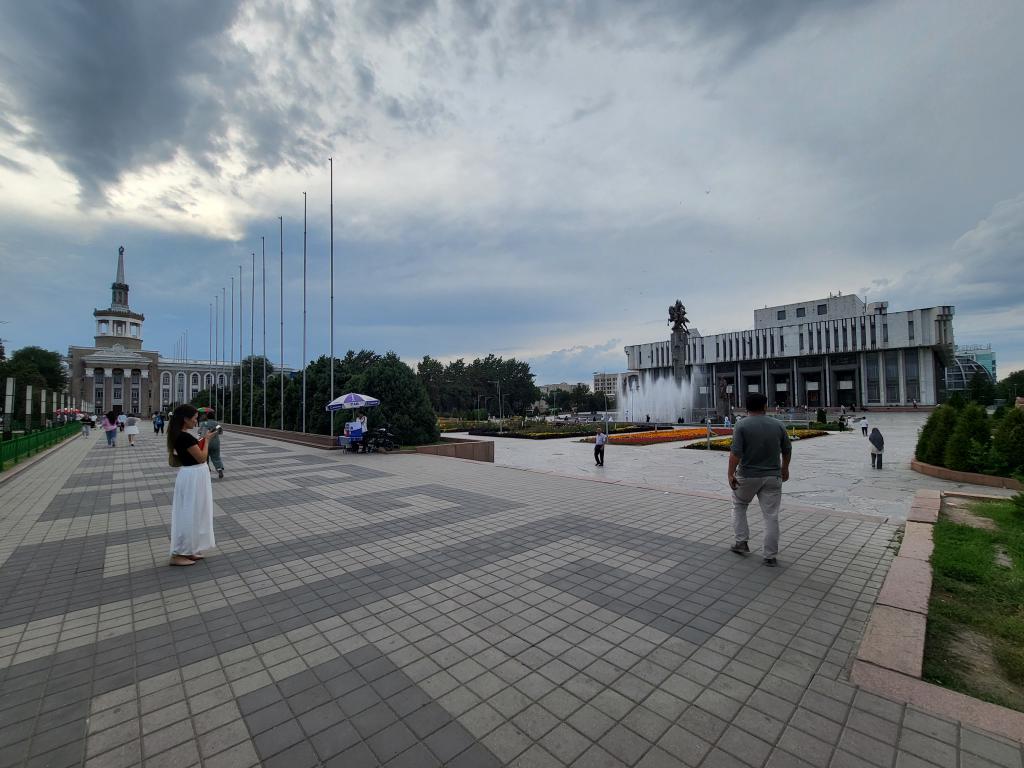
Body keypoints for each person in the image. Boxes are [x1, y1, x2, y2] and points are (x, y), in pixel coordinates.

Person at [727, 392, 792, 567]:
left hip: (747, 476)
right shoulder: (778, 425)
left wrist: (730, 474)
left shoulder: (741, 425)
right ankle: (770, 556)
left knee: (739, 505)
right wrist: (785, 468)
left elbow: (735, 453)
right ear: (765, 406)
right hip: (772, 476)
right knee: (771, 516)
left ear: (747, 407)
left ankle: (741, 542)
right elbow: (787, 449)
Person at [167, 404, 215, 566]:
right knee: (188, 514)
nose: (196, 421)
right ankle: (178, 553)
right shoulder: (184, 437)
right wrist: (207, 440)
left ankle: (190, 549)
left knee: (195, 513)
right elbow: (201, 458)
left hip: (193, 475)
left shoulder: (181, 435)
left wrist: (201, 441)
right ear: (185, 419)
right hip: (193, 475)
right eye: (194, 418)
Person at [199, 410, 225, 479]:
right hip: (215, 443)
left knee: (205, 458)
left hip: (206, 443)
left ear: (207, 417)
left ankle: (207, 470)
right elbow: (221, 432)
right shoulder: (216, 423)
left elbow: (200, 433)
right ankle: (219, 470)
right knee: (216, 457)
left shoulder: (204, 423)